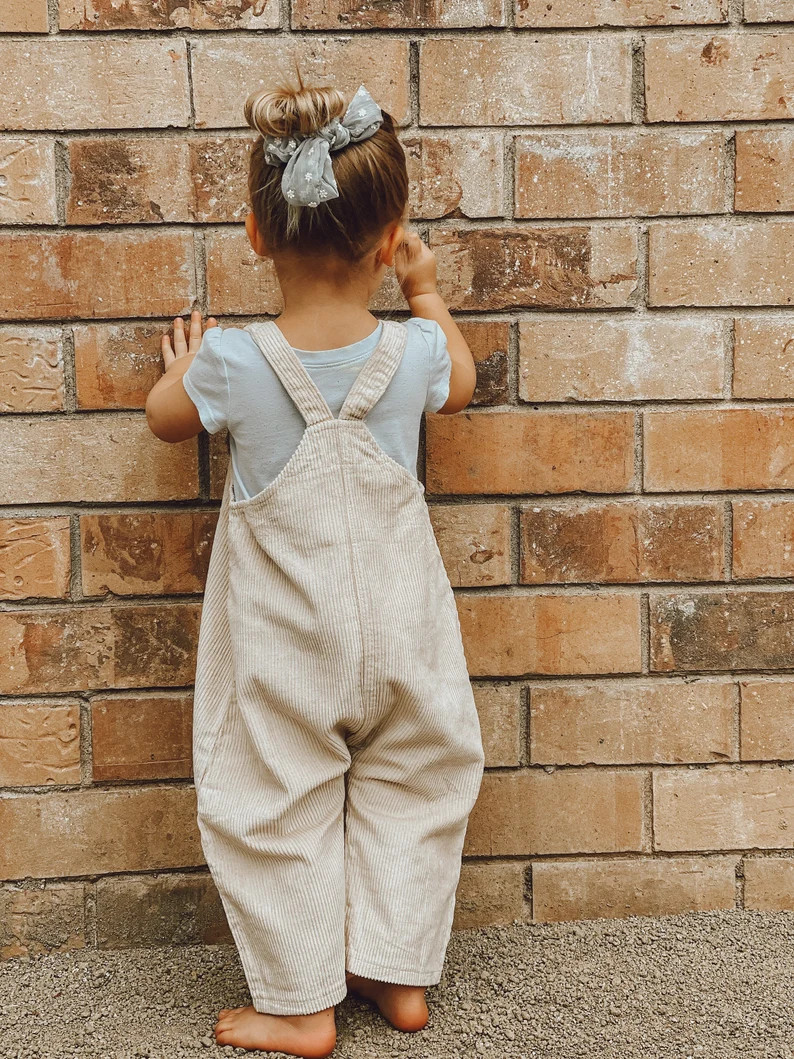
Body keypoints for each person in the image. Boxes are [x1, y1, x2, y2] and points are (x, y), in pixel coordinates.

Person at [145, 74, 486, 1059]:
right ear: (388, 239)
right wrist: (425, 289)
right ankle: (396, 970)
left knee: (271, 798)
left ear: (256, 235)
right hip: (400, 625)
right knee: (416, 780)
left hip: (285, 644)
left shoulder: (234, 363)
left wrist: (182, 361)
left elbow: (165, 421)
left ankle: (300, 1003)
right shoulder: (413, 349)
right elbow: (458, 385)